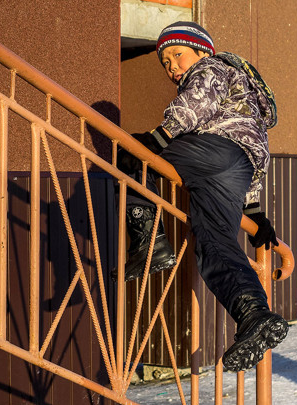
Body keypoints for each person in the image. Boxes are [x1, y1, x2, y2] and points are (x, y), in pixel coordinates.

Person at [115, 21, 287, 373]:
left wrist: (159, 138)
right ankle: (254, 315)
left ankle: (149, 243)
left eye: (177, 54)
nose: (172, 66)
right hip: (234, 168)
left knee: (128, 151)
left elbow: (196, 103)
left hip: (212, 149)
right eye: (165, 62)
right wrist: (254, 214)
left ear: (200, 50)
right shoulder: (246, 105)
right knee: (215, 245)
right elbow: (256, 151)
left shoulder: (211, 67)